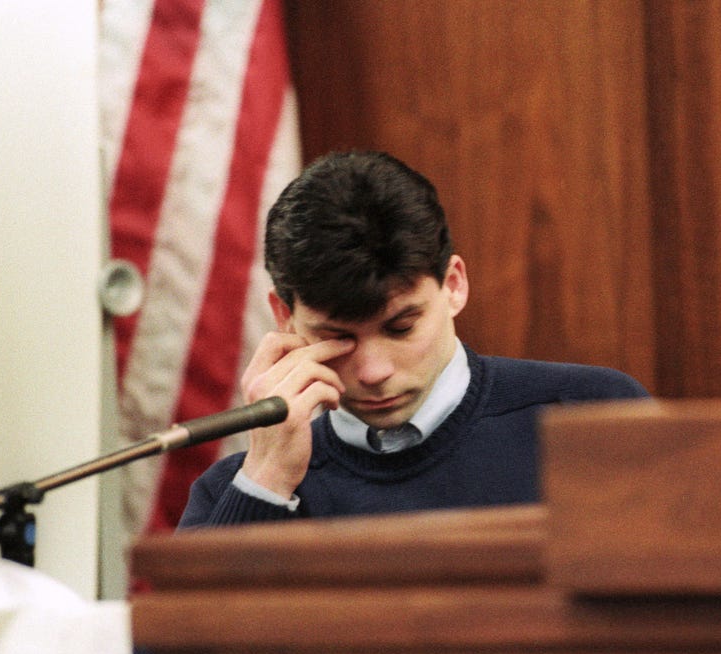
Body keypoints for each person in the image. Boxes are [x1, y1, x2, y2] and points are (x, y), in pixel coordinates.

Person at [178, 150, 648, 528]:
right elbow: (177, 647)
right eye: (337, 337)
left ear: (454, 285)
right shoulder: (235, 492)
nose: (374, 371)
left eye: (401, 327)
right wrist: (266, 483)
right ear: (284, 315)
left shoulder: (599, 416)